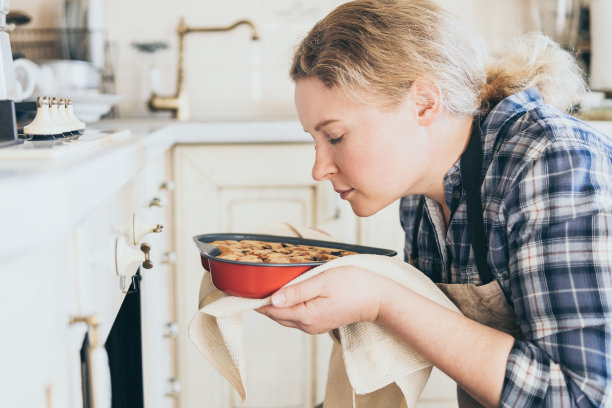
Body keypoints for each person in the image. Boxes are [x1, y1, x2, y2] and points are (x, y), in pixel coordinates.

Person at [256, 0, 612, 407]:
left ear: (424, 102)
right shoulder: (420, 197)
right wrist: (342, 290)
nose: (319, 168)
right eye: (314, 140)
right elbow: (427, 337)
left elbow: (581, 395)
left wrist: (382, 297)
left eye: (335, 136)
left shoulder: (552, 162)